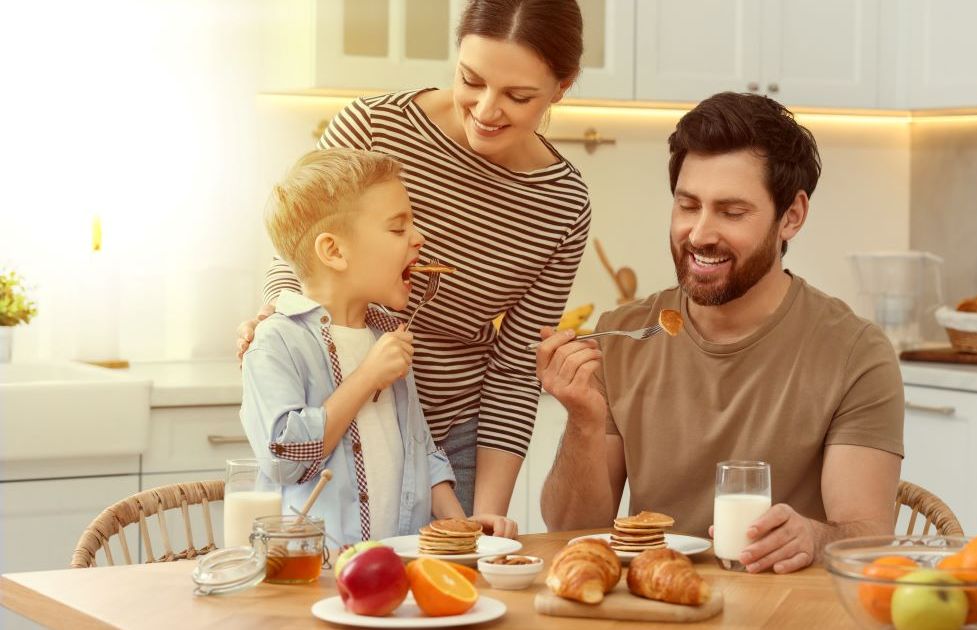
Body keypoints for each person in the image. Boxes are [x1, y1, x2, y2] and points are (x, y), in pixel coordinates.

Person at [237, 0, 591, 531]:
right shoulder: (374, 126)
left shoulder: (562, 205)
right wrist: (280, 319)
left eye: (518, 96)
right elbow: (300, 252)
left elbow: (514, 370)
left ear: (562, 87)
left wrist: (487, 516)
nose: (487, 109)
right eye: (471, 80)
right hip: (335, 415)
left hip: (449, 439)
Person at [536, 92, 905, 574]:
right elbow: (572, 532)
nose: (700, 234)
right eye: (688, 205)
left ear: (791, 216)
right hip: (655, 604)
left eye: (731, 213)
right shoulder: (623, 335)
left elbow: (867, 539)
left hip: (786, 610)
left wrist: (814, 536)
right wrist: (583, 421)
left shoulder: (855, 352)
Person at [240, 148, 514, 544]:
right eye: (398, 229)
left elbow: (422, 453)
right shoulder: (276, 341)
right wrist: (367, 376)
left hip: (397, 565)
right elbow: (286, 457)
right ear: (334, 251)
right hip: (316, 576)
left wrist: (464, 528)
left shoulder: (387, 334)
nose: (418, 239)